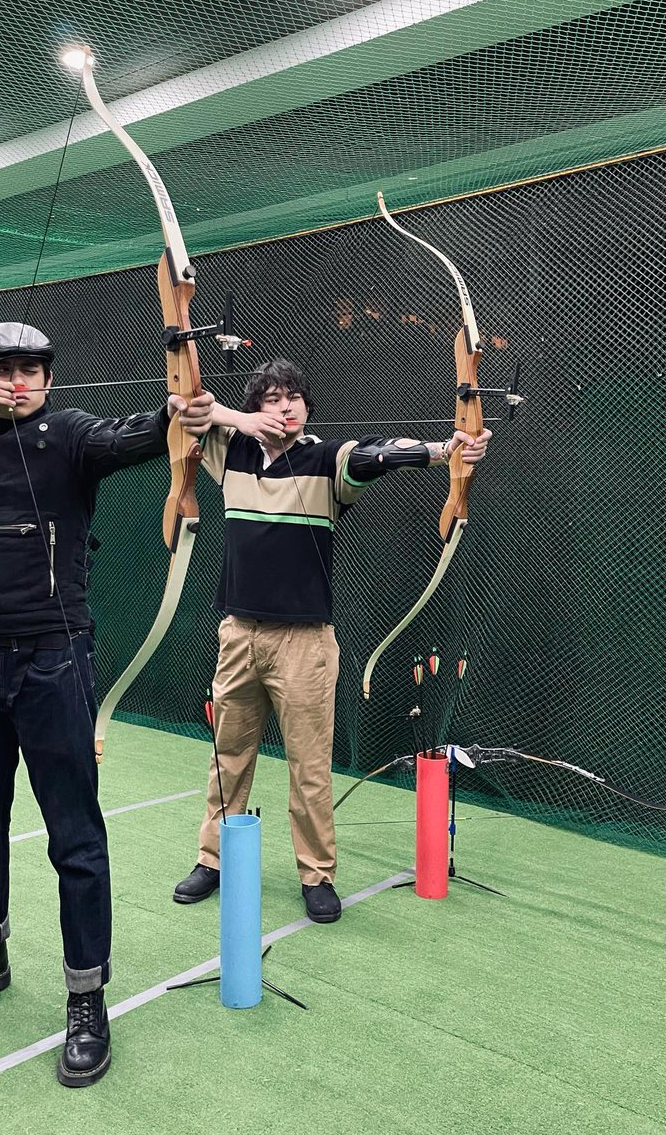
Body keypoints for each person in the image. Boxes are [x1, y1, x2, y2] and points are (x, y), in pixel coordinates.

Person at [0, 321, 213, 1087]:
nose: (16, 381)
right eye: (0, 369)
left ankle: (86, 997)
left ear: (51, 379)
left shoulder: (73, 436)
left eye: (30, 369)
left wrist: (179, 412)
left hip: (53, 663)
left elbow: (137, 436)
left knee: (75, 840)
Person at [173, 359, 490, 922]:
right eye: (271, 399)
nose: (284, 406)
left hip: (305, 644)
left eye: (293, 397)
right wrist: (237, 421)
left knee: (310, 765)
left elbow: (374, 453)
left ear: (306, 408)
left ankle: (316, 874)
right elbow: (183, 405)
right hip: (239, 633)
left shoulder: (325, 463)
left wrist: (448, 450)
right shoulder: (233, 453)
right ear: (256, 408)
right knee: (228, 756)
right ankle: (212, 859)